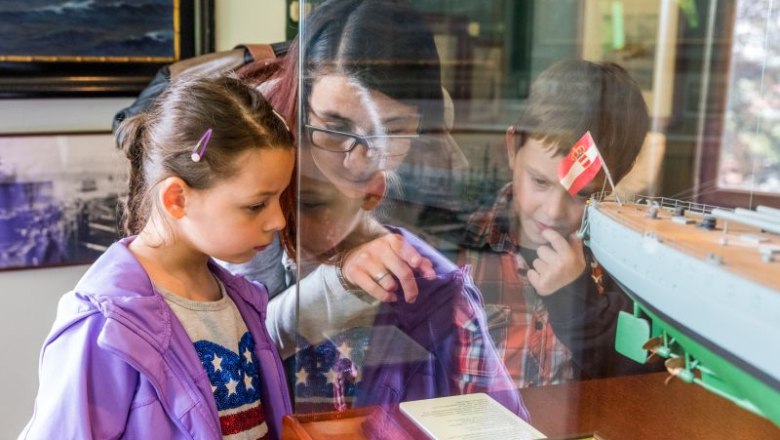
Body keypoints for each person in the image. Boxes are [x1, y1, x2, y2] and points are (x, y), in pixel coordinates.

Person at [237, 0, 527, 418]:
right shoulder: (254, 162)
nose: (361, 160)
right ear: (301, 109)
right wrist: (339, 281)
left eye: (393, 132)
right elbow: (239, 342)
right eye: (336, 128)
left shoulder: (434, 166)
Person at [20, 76, 294, 440]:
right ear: (177, 199)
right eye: (256, 205)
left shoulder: (241, 300)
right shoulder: (103, 326)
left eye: (280, 199)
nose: (278, 220)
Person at [458, 59, 661, 388]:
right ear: (513, 148)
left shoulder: (623, 265)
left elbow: (647, 380)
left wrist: (577, 300)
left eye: (581, 194)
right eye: (539, 181)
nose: (553, 212)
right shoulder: (458, 244)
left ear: (613, 183)